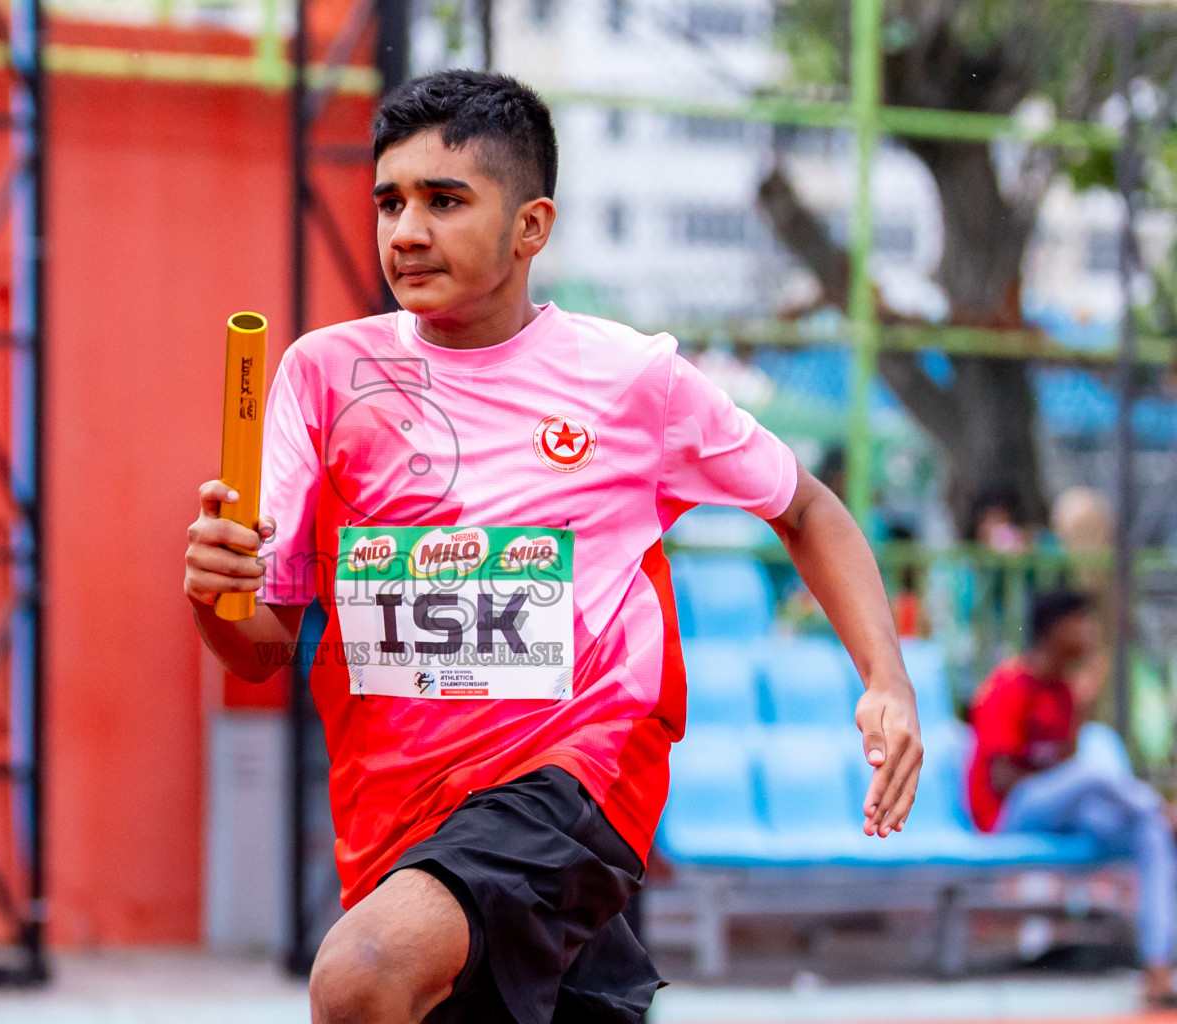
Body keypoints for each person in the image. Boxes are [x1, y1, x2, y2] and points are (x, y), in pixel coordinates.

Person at [184, 70, 922, 1024]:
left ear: (532, 225)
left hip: (579, 772)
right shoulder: (322, 378)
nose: (406, 230)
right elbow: (264, 648)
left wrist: (887, 678)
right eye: (389, 201)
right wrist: (216, 597)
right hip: (397, 821)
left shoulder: (632, 381)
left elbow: (805, 508)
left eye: (445, 201)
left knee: (360, 973)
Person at [967, 589, 1177, 1008]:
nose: (1090, 631)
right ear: (1053, 629)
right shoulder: (1007, 685)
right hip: (1011, 814)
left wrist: (1080, 707)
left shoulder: (1065, 692)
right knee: (1096, 772)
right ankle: (1160, 805)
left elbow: (1066, 765)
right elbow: (1003, 778)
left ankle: (1157, 967)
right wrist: (1067, 778)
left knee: (1149, 832)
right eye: (1081, 621)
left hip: (1062, 813)